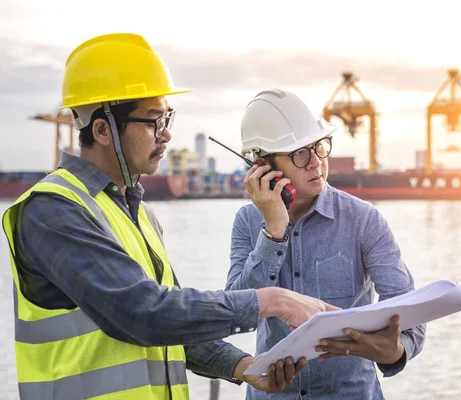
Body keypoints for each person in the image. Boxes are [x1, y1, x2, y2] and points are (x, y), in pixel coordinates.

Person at [2, 34, 339, 400]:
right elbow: (144, 313)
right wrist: (274, 300)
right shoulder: (53, 211)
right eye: (152, 121)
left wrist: (245, 367)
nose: (166, 134)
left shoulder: (138, 213)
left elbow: (174, 324)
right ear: (102, 130)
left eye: (167, 117)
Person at [225, 89, 427, 399]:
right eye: (300, 153)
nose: (316, 162)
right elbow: (235, 311)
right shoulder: (248, 222)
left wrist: (395, 352)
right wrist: (273, 231)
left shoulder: (364, 220)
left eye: (320, 147)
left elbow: (409, 313)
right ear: (263, 164)